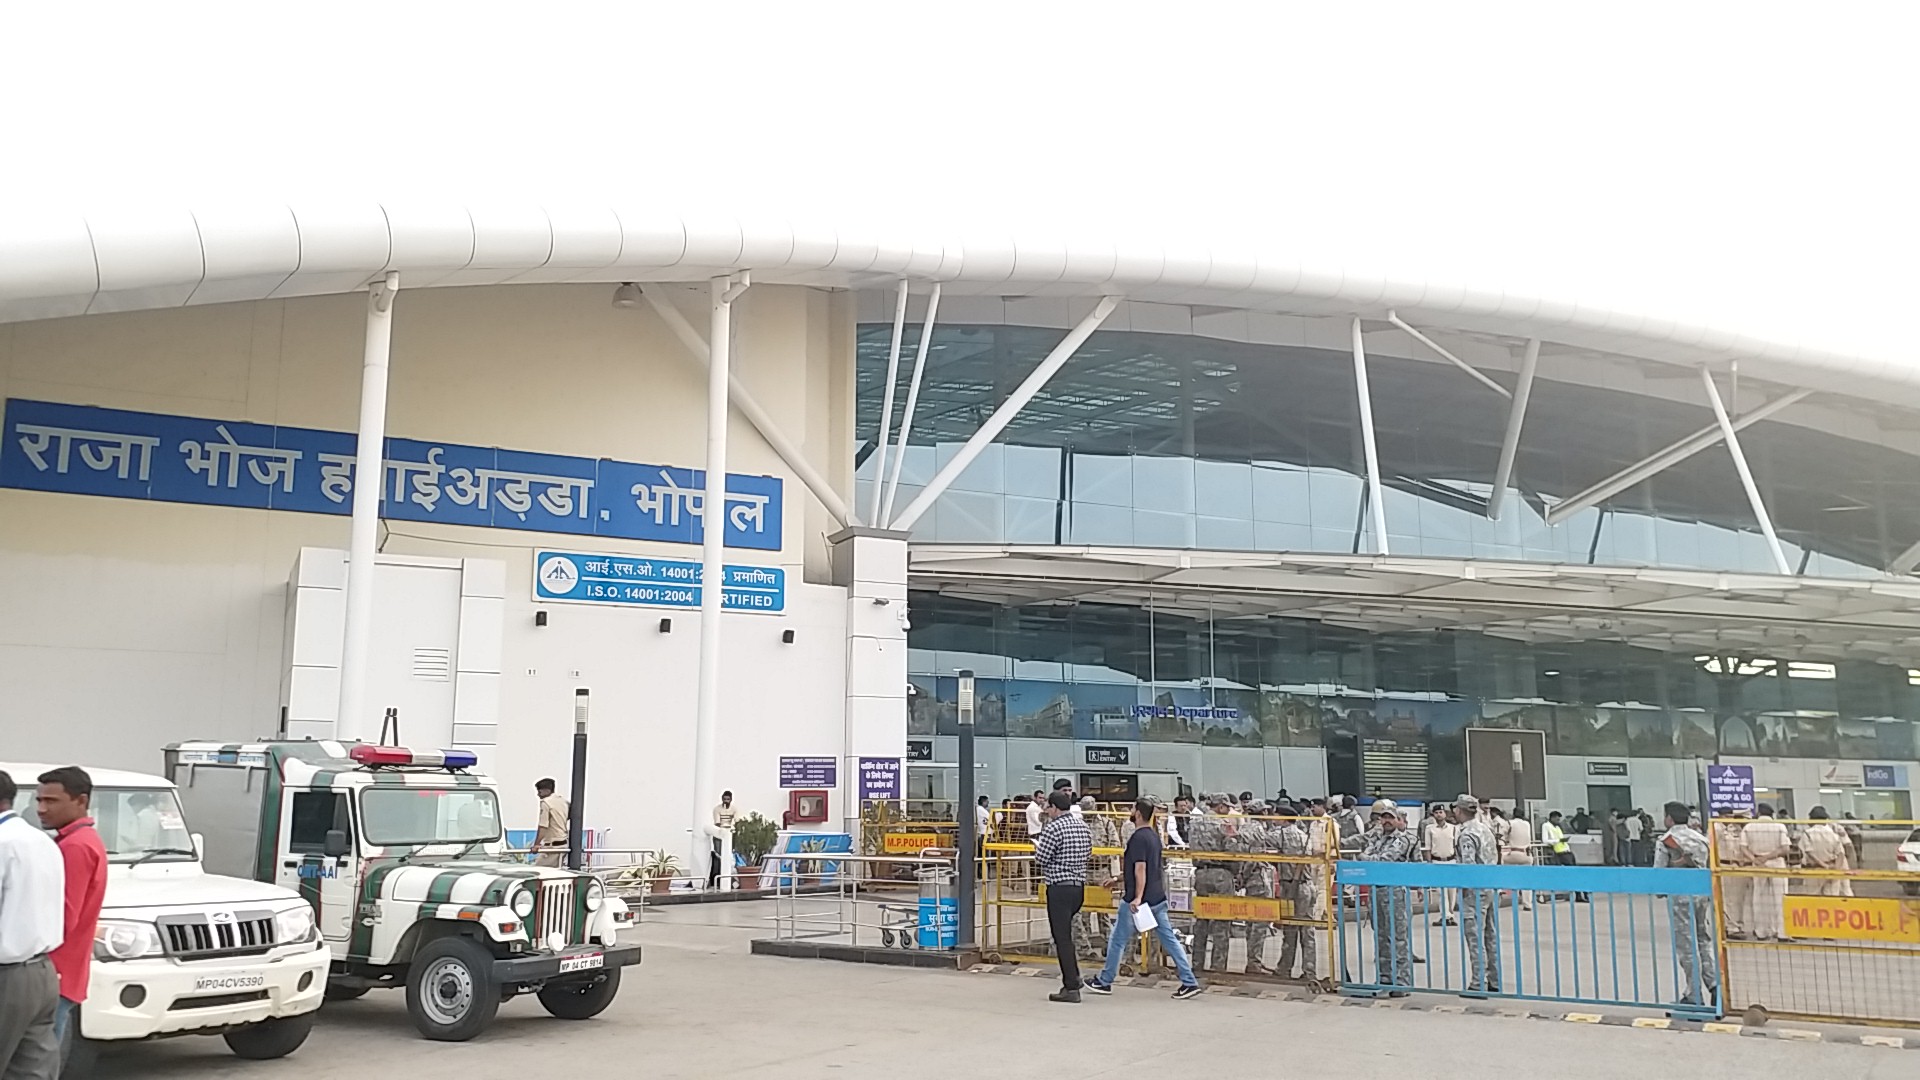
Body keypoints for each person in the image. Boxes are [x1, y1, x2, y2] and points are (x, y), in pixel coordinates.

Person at [1082, 799, 1202, 1001]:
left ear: (1138, 813)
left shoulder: (1138, 838)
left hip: (1138, 900)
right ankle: (1189, 981)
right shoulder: (1154, 836)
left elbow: (1140, 869)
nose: (1130, 811)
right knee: (1169, 939)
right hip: (1156, 896)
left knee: (1117, 939)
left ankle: (1105, 980)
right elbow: (1146, 867)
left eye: (1132, 808)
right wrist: (1118, 879)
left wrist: (1136, 897)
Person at [36, 767, 108, 1066]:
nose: (41, 809)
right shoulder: (81, 840)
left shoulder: (75, 846)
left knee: (37, 1061)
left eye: (51, 801)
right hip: (66, 971)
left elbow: (64, 917)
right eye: (38, 800)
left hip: (56, 971)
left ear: (81, 801)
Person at [0, 770, 65, 1079]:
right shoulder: (42, 841)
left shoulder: (4, 844)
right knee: (32, 1070)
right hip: (42, 973)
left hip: (7, 976)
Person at [1654, 801, 1718, 1006]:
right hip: (1701, 895)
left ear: (1669, 819)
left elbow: (1659, 873)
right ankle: (1714, 985)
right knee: (1703, 940)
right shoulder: (1702, 839)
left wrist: (1660, 891)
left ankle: (1693, 994)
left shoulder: (1666, 840)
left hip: (1680, 897)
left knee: (1686, 945)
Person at [1032, 789, 1093, 1003]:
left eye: (1048, 807)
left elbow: (1042, 857)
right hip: (1078, 886)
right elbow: (1089, 853)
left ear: (1055, 808)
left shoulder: (1053, 827)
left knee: (1062, 938)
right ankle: (1074, 977)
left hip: (1059, 886)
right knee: (1069, 934)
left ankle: (1071, 985)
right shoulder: (1082, 826)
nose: (1047, 811)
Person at [1359, 799, 1417, 994]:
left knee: (1398, 937)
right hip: (1377, 890)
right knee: (1381, 936)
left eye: (1390, 818)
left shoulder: (1402, 839)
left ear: (1398, 820)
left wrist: (1368, 858)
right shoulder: (1377, 838)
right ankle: (1385, 978)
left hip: (1395, 892)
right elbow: (1365, 855)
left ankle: (1402, 982)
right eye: (1383, 818)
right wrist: (1368, 858)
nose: (1386, 821)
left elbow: (1384, 860)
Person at [1454, 793, 1501, 995]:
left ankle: (1477, 981)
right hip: (1490, 886)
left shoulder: (1466, 834)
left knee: (1474, 936)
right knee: (1490, 935)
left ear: (1460, 810)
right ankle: (1494, 979)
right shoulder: (1485, 829)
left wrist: (1464, 890)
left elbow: (1468, 866)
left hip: (1474, 890)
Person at [1269, 802, 1321, 982]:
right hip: (1307, 885)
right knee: (1307, 931)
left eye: (1275, 815)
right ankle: (1309, 970)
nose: (1272, 818)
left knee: (1290, 929)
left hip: (1291, 886)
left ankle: (1285, 968)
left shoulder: (1281, 834)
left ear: (1283, 818)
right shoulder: (1302, 834)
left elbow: (1259, 840)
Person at [1187, 795, 1235, 972]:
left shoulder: (1194, 823)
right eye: (1227, 807)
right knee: (1222, 921)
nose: (1229, 810)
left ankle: (1197, 964)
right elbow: (1232, 848)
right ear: (1220, 807)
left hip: (1200, 872)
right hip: (1221, 873)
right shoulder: (1222, 824)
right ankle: (1218, 966)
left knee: (1202, 920)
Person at [1073, 797, 1119, 958]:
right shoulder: (1078, 823)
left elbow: (1115, 845)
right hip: (1084, 870)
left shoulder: (1107, 823)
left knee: (1103, 911)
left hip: (1102, 870)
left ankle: (1109, 943)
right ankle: (1086, 948)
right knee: (1083, 910)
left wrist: (1099, 854)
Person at [1741, 804, 1790, 940]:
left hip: (1758, 863)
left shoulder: (1749, 827)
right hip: (1776, 863)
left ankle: (1761, 932)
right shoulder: (1779, 826)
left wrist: (1754, 859)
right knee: (1780, 898)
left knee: (1758, 897)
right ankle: (1782, 932)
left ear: (1758, 813)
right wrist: (1768, 856)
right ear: (1772, 814)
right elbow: (1785, 848)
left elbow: (1743, 847)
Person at [1802, 807, 1853, 897]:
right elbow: (1843, 851)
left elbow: (1809, 852)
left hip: (1815, 869)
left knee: (1813, 897)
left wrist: (1824, 865)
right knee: (1832, 897)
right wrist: (1836, 869)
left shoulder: (1807, 833)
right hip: (1834, 866)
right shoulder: (1833, 833)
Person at [1424, 804, 1459, 924]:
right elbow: (1428, 847)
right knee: (1441, 891)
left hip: (1451, 860)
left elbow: (1457, 846)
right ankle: (1445, 915)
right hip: (1437, 860)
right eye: (1436, 812)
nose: (1439, 814)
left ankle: (1451, 914)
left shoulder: (1453, 828)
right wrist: (1429, 864)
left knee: (1451, 891)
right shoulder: (1430, 829)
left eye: (1441, 812)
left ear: (1445, 814)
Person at [1543, 811, 1586, 902]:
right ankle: (1579, 894)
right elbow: (1545, 840)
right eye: (1557, 819)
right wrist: (1558, 840)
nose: (1558, 820)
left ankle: (1581, 893)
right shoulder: (1546, 826)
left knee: (1576, 873)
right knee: (1572, 874)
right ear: (1552, 818)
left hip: (1566, 850)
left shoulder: (1558, 827)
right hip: (1559, 853)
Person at [1499, 809, 1533, 910]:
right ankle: (1527, 904)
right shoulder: (1527, 824)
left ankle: (1504, 894)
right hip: (1525, 854)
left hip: (1512, 853)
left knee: (1502, 873)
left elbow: (1502, 836)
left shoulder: (1509, 823)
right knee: (1527, 880)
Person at [533, 778, 569, 868]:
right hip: (564, 844)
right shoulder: (564, 801)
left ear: (546, 790)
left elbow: (543, 826)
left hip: (552, 846)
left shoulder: (546, 803)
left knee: (538, 870)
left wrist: (536, 844)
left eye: (539, 792)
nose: (538, 795)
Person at [709, 790, 737, 889]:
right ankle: (718, 876)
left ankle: (728, 877)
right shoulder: (717, 809)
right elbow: (717, 823)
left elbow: (736, 821)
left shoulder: (734, 809)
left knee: (729, 855)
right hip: (719, 834)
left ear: (731, 800)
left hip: (730, 833)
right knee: (719, 854)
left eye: (728, 799)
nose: (726, 801)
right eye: (725, 799)